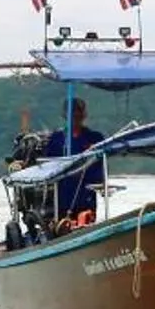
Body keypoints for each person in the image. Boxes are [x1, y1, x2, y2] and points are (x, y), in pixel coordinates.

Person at [48, 94, 107, 226]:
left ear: (84, 114)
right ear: (65, 114)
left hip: (86, 193)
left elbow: (101, 165)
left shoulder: (95, 138)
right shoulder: (57, 138)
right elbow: (49, 165)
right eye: (72, 111)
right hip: (63, 195)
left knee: (85, 223)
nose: (75, 115)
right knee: (63, 225)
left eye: (79, 111)